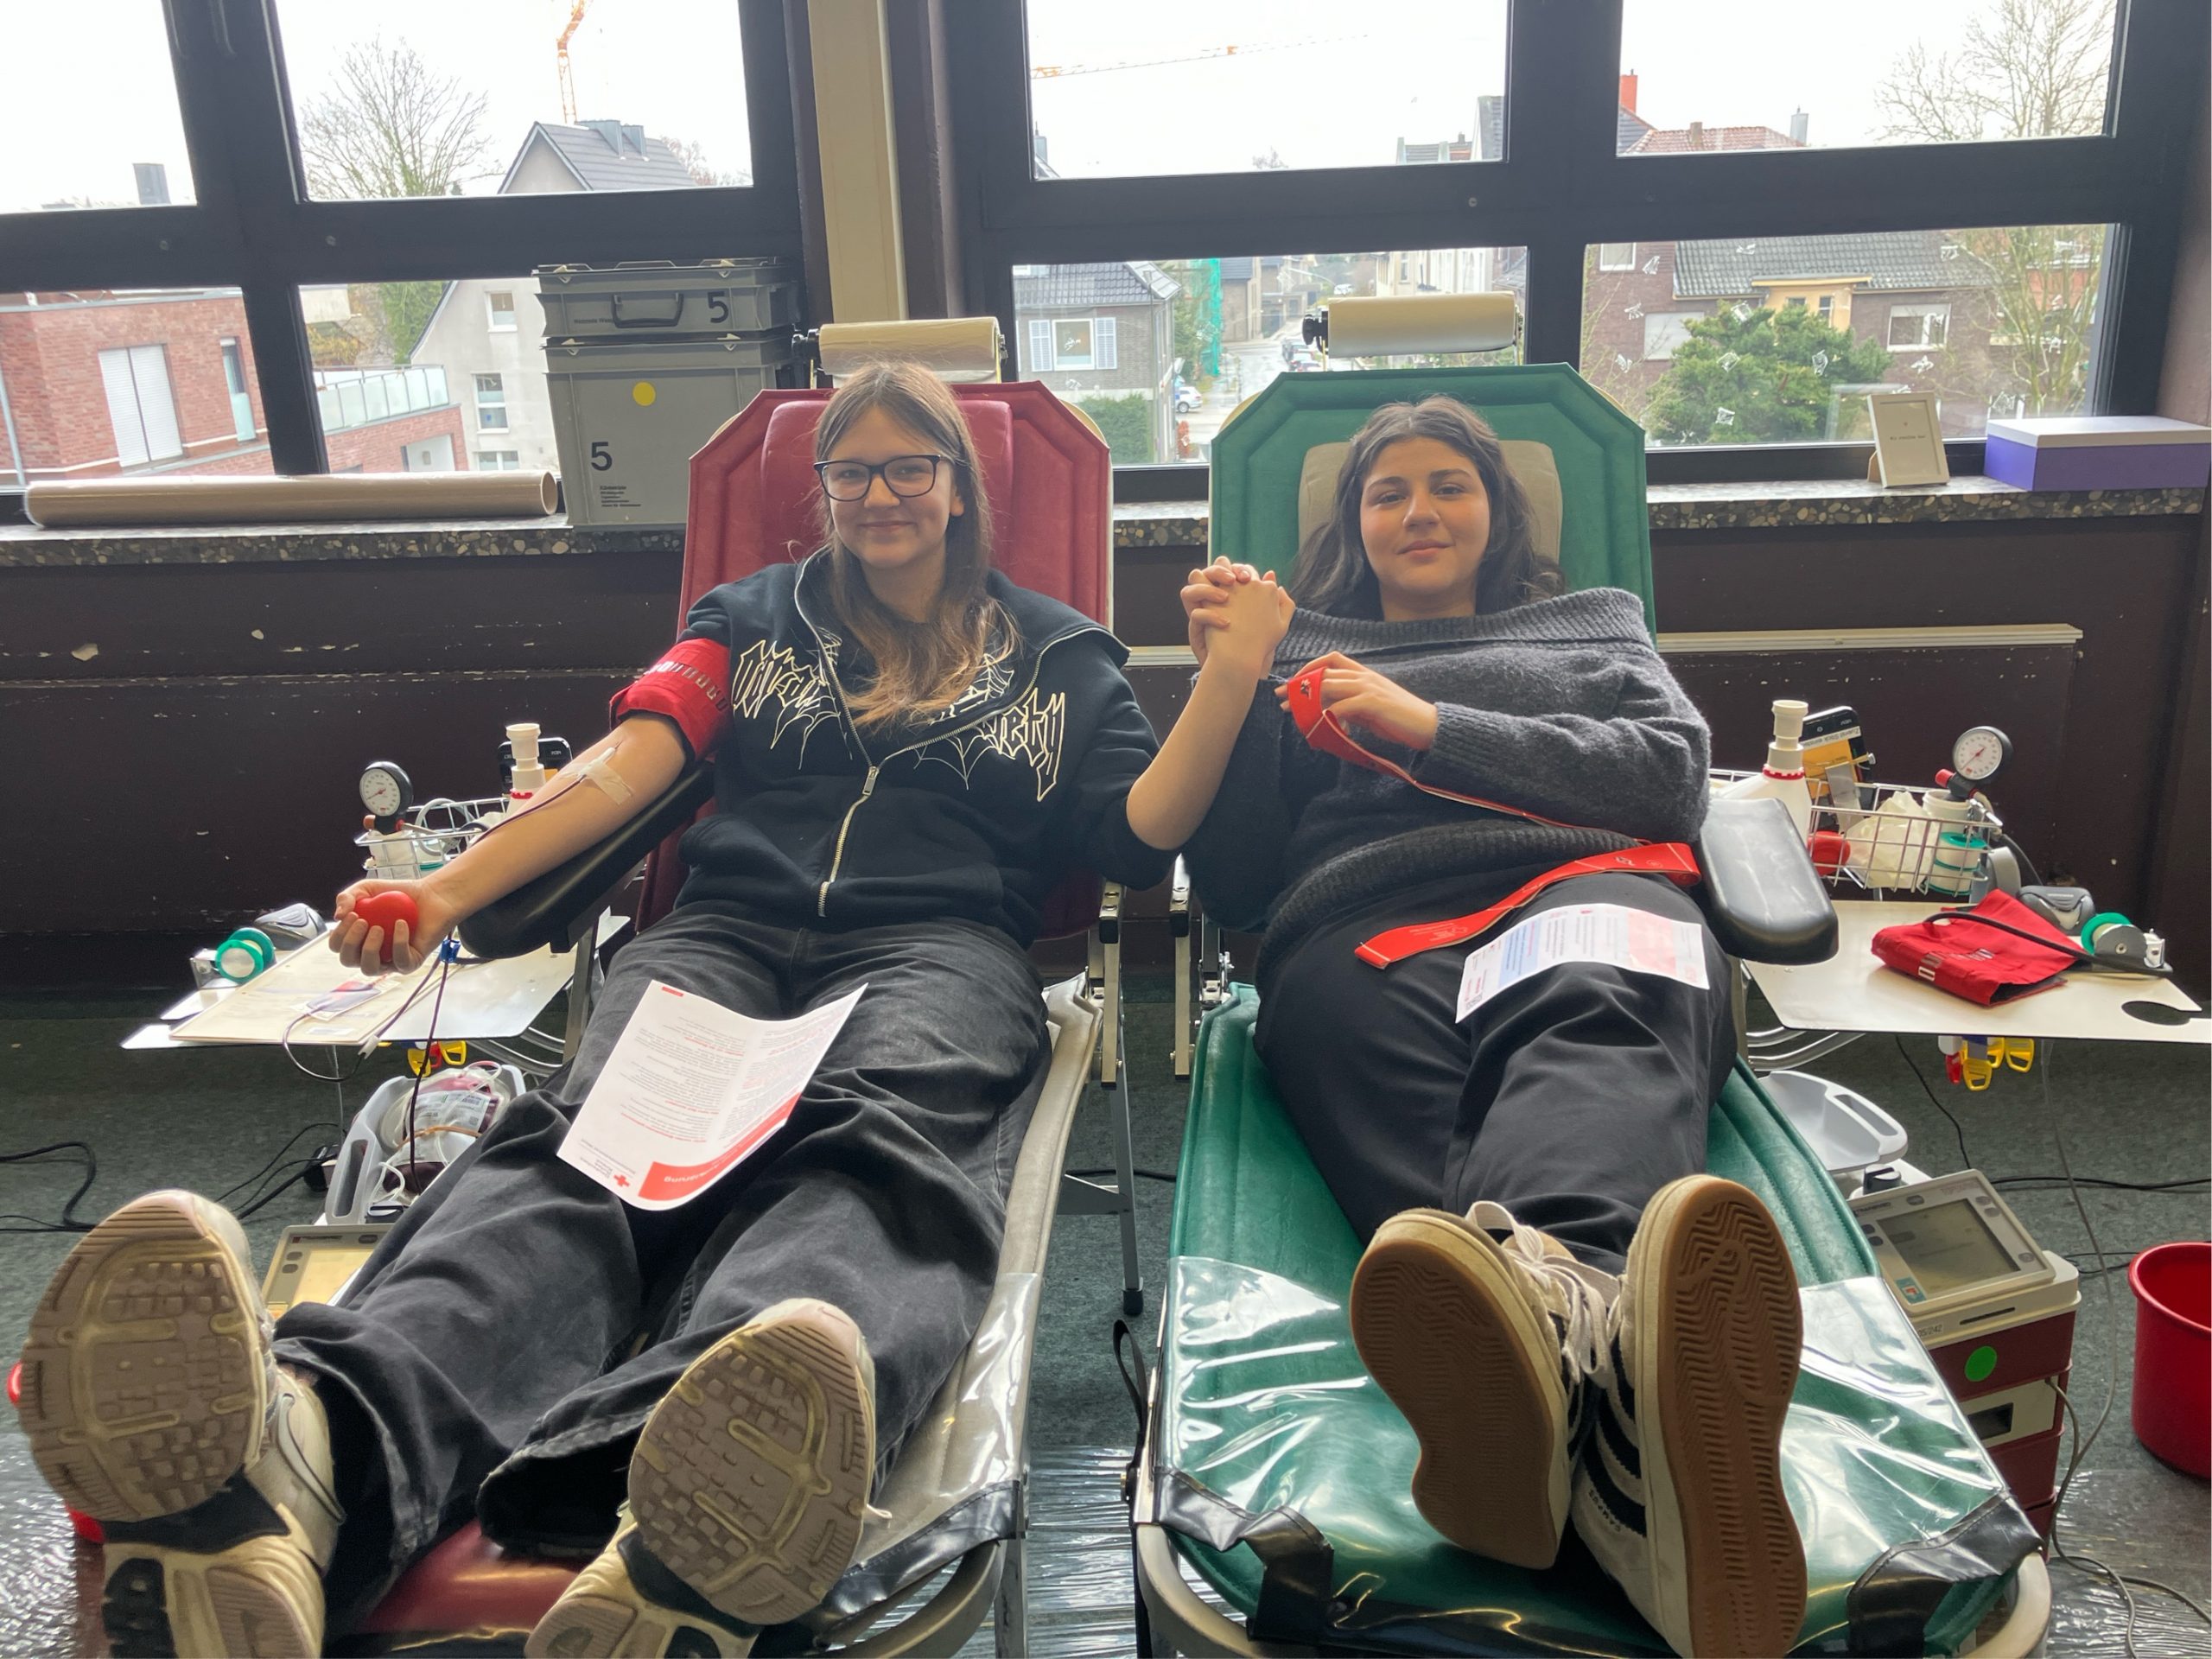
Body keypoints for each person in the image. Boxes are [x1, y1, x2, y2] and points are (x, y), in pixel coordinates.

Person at [20, 361, 1294, 1659]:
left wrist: (1231, 675)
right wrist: (448, 889)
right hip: (728, 932)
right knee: (593, 1152)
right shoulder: (751, 619)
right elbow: (633, 762)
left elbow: (1142, 837)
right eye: (852, 471)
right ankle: (316, 1451)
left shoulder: (1065, 658)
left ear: (960, 488)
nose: (881, 495)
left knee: (878, 1152)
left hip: (941, 950)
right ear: (824, 491)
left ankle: (706, 1484)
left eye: (912, 467)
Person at [1179, 395, 1806, 1658]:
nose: (1419, 511)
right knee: (1423, 1108)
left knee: (1593, 1017)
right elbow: (1237, 883)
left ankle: (1549, 1363)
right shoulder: (1298, 651)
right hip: (1362, 930)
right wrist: (1233, 681)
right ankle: (1625, 1455)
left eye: (1448, 485)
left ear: (1498, 507)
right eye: (1388, 492)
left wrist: (1430, 726)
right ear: (1354, 526)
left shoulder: (1594, 625)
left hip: (1581, 882)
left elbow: (1669, 777)